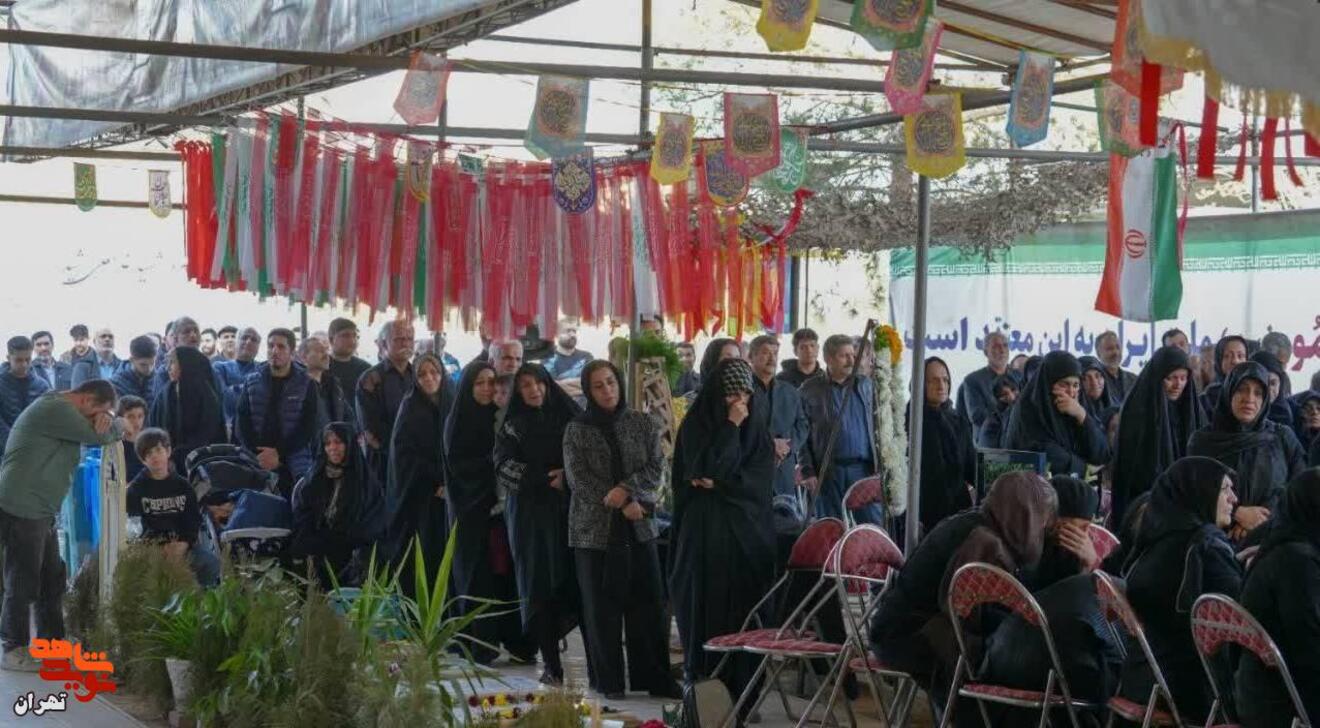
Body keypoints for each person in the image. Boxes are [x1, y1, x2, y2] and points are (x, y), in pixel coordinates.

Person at [869, 472, 1057, 713]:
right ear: (1024, 515)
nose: (1043, 529)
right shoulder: (984, 543)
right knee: (1012, 665)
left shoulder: (981, 523)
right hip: (905, 637)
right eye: (1042, 520)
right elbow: (963, 614)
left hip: (900, 628)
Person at [564, 360, 680, 700]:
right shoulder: (576, 429)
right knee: (601, 609)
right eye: (598, 386)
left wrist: (627, 491)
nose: (607, 391)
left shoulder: (642, 422)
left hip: (638, 525)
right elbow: (578, 479)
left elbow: (656, 468)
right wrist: (616, 499)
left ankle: (654, 677)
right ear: (589, 391)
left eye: (611, 382)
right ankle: (609, 681)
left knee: (648, 604)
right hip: (593, 531)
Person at [670, 357, 776, 706]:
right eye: (731, 395)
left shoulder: (757, 431)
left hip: (746, 540)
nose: (739, 403)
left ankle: (742, 696)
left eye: (745, 394)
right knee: (703, 611)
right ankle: (703, 695)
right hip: (704, 537)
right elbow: (704, 469)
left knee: (743, 615)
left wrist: (721, 484)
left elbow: (757, 484)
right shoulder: (697, 425)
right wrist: (730, 427)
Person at [0, 380, 122, 671]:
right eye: (100, 413)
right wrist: (115, 424)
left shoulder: (63, 412)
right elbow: (99, 437)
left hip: (42, 509)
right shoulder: (56, 408)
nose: (100, 419)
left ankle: (52, 643)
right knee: (23, 578)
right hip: (24, 506)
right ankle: (13, 647)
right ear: (87, 401)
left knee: (52, 577)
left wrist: (107, 418)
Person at [978, 476, 1119, 716]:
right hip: (1016, 653)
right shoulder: (1021, 550)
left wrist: (1090, 564)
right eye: (1076, 529)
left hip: (1053, 652)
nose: (1082, 537)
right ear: (1052, 522)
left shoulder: (1074, 558)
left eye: (1087, 530)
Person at [1117, 457, 1242, 724]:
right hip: (1194, 693)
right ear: (1199, 492)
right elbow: (1241, 618)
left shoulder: (1152, 543)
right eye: (1224, 489)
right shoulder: (1205, 547)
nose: (1234, 498)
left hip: (1141, 681)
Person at [495, 363, 582, 686]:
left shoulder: (571, 419)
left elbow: (590, 458)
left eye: (539, 383)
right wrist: (545, 478)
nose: (534, 390)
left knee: (573, 581)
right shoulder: (512, 427)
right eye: (526, 386)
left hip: (569, 511)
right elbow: (504, 467)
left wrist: (568, 477)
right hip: (530, 517)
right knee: (538, 585)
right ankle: (551, 664)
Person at [443, 361, 531, 665]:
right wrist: (492, 465)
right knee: (476, 577)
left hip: (499, 517)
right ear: (468, 387)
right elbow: (459, 469)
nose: (486, 388)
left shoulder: (500, 418)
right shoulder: (458, 421)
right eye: (479, 383)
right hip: (470, 514)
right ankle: (480, 643)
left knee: (504, 576)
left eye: (491, 382)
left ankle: (517, 641)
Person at [1234, 469, 1320, 726]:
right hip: (1282, 704)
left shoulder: (1283, 545)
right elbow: (1309, 650)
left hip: (1258, 694)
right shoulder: (1296, 562)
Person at [1189, 361, 1307, 544]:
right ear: (1229, 391)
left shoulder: (1282, 437)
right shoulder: (1202, 442)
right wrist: (1237, 513)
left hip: (1274, 540)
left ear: (1265, 399)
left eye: (1258, 393)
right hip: (1216, 542)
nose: (1249, 399)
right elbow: (1193, 492)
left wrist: (1263, 518)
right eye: (1241, 390)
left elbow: (1300, 487)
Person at [1110, 346, 1207, 527]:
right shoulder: (1137, 411)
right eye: (1171, 378)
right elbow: (1131, 470)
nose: (1178, 385)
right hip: (1146, 506)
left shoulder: (1193, 410)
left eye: (1183, 378)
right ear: (1158, 377)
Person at [385, 354, 455, 593]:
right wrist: (434, 482)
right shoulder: (410, 408)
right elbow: (404, 457)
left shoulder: (452, 401)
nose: (429, 378)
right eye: (422, 374)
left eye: (434, 372)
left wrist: (450, 481)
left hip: (451, 492)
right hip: (421, 495)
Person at [291, 422, 386, 589]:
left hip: (350, 552)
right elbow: (304, 514)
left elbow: (371, 525)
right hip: (317, 548)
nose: (332, 448)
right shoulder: (315, 478)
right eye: (327, 443)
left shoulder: (365, 483)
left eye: (338, 442)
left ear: (350, 444)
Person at [799, 334, 882, 523]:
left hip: (863, 470)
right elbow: (802, 435)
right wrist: (807, 470)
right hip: (828, 473)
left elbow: (880, 427)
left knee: (872, 527)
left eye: (853, 355)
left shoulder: (866, 386)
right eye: (844, 356)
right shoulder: (810, 390)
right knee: (832, 528)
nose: (851, 361)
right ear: (828, 358)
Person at [126, 428, 220, 587]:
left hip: (182, 545)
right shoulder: (136, 490)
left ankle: (203, 600)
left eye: (158, 450)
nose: (155, 456)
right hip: (150, 548)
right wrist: (157, 548)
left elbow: (193, 521)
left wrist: (183, 545)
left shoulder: (183, 486)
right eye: (149, 454)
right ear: (143, 460)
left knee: (210, 563)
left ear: (168, 451)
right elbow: (132, 526)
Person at [235, 329, 319, 499]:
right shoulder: (252, 380)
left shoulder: (306, 383)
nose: (275, 351)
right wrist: (258, 455)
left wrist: (279, 453)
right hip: (256, 457)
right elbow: (242, 421)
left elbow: (308, 426)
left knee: (300, 501)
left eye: (281, 346)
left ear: (292, 352)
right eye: (271, 346)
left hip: (294, 456)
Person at [1005, 350, 1111, 478]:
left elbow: (1102, 453)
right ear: (1048, 383)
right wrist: (1083, 468)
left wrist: (1082, 415)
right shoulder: (1027, 410)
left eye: (1076, 385)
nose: (1071, 392)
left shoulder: (1078, 406)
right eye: (1064, 384)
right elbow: (1042, 453)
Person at [914, 357, 977, 533]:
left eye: (945, 380)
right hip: (923, 516)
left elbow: (971, 467)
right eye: (933, 380)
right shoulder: (911, 420)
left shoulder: (957, 420)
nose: (941, 385)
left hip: (959, 512)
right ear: (920, 383)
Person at [748, 335, 809, 509]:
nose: (772, 358)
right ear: (751, 357)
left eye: (775, 353)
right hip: (751, 472)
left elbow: (802, 425)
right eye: (765, 353)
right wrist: (770, 444)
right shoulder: (742, 391)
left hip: (783, 472)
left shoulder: (790, 391)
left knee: (784, 522)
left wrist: (788, 446)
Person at [149, 346, 227, 477]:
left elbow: (208, 434)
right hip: (166, 463)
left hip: (201, 465)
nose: (167, 368)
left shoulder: (205, 395)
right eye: (167, 362)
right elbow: (154, 429)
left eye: (172, 362)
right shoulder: (164, 394)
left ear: (186, 364)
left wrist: (179, 455)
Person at [356, 320, 415, 484]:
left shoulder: (418, 375)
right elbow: (370, 426)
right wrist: (399, 450)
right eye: (399, 339)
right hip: (384, 461)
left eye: (409, 339)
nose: (406, 343)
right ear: (383, 344)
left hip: (417, 462)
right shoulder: (371, 379)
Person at [0, 337, 51, 460]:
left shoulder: (42, 386)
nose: (24, 364)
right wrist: (15, 446)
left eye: (28, 359)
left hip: (36, 453)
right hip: (4, 455)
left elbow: (48, 419)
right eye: (18, 360)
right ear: (8, 358)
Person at [955, 330, 1016, 430]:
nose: (1002, 350)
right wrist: (1003, 406)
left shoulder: (1018, 376)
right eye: (996, 346)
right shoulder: (973, 380)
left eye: (1005, 345)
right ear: (986, 352)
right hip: (989, 437)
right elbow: (977, 417)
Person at [299, 335, 349, 433]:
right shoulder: (296, 387)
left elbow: (348, 416)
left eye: (326, 350)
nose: (326, 355)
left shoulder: (334, 384)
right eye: (320, 351)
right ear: (304, 357)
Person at [213, 327, 262, 424]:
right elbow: (226, 399)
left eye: (254, 340)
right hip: (228, 427)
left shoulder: (263, 369)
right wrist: (251, 390)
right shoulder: (219, 367)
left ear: (258, 347)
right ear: (236, 342)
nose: (248, 342)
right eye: (244, 338)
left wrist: (234, 388)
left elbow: (263, 401)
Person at [327, 318, 371, 417]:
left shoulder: (365, 368)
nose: (352, 340)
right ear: (331, 339)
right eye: (345, 336)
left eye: (355, 336)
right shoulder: (323, 368)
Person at [1200, 334, 1250, 414]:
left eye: (1240, 356)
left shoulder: (1253, 392)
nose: (1235, 361)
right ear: (1219, 360)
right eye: (1227, 356)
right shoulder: (1208, 397)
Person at [1250, 350, 1297, 432]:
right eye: (1263, 383)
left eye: (1273, 383)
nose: (1269, 389)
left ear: (1280, 384)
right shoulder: (1240, 412)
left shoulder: (1291, 413)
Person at [112, 335, 159, 403]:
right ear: (131, 360)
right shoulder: (117, 384)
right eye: (143, 365)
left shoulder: (158, 379)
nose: (149, 369)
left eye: (152, 363)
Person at [1095, 330, 1138, 405]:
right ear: (1099, 354)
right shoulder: (1094, 381)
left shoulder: (1133, 379)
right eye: (1110, 349)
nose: (1116, 352)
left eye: (1118, 347)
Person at [976, 374, 1018, 449]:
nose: (1012, 397)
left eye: (1013, 390)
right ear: (997, 398)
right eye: (1004, 395)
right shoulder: (992, 422)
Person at [117, 395, 148, 482]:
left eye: (140, 416)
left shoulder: (149, 443)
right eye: (130, 416)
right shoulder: (115, 445)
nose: (136, 422)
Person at [1078, 355, 1116, 420]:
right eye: (1085, 378)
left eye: (1098, 376)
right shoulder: (1073, 412)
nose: (1094, 383)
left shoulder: (1117, 408)